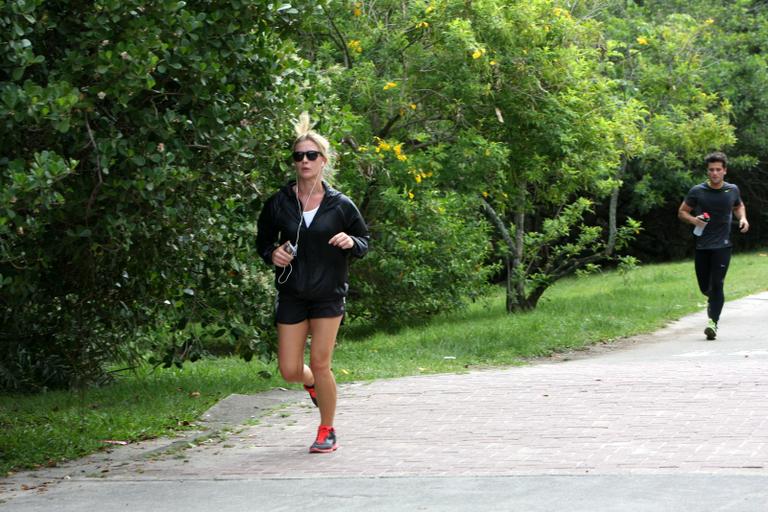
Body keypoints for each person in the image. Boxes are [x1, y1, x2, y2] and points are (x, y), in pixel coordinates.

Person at [256, 112, 369, 453]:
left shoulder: (340, 205)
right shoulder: (278, 203)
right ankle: (313, 386)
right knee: (290, 370)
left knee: (321, 363)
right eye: (298, 156)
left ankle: (327, 429)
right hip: (292, 293)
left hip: (327, 294)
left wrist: (352, 242)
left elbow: (364, 240)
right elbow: (263, 242)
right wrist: (271, 254)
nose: (304, 161)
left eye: (311, 155)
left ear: (323, 161)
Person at [678, 151, 749, 340]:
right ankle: (714, 300)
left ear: (724, 171)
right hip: (702, 245)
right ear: (707, 172)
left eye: (718, 169)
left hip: (723, 245)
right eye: (711, 170)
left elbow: (738, 206)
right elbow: (682, 212)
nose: (715, 173)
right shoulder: (697, 191)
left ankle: (713, 323)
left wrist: (743, 219)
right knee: (705, 287)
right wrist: (695, 220)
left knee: (717, 284)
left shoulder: (732, 189)